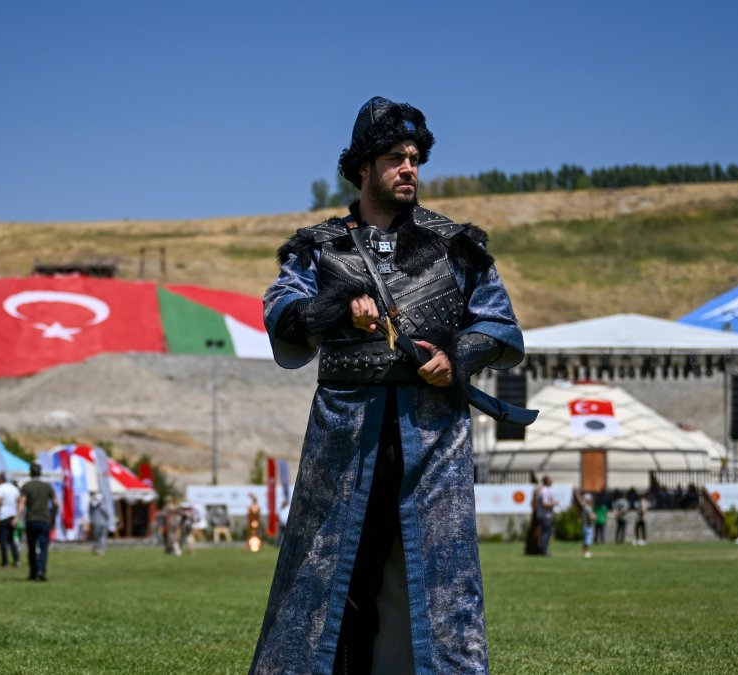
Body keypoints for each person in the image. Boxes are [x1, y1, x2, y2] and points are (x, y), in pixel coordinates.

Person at [251, 96, 524, 674]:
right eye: (396, 158)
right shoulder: (318, 248)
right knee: (332, 579)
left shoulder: (457, 245)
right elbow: (282, 312)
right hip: (345, 438)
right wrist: (336, 310)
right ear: (362, 168)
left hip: (431, 439)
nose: (410, 168)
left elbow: (499, 324)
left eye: (415, 158)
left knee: (441, 586)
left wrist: (457, 357)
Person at [17, 463, 59, 581]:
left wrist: (17, 517)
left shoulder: (26, 486)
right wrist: (53, 517)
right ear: (40, 473)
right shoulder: (47, 486)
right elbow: (56, 503)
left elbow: (22, 503)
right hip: (44, 520)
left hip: (31, 520)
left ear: (30, 473)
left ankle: (33, 572)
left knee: (31, 547)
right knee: (43, 547)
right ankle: (41, 570)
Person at [0, 473, 20, 567]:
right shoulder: (13, 488)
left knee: (3, 540)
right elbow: (18, 501)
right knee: (12, 539)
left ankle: (5, 561)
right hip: (12, 516)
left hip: (3, 516)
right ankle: (16, 560)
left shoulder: (0, 489)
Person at [536, 476, 558, 556]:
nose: (552, 481)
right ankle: (543, 550)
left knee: (548, 533)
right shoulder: (544, 491)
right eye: (550, 480)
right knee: (545, 533)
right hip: (545, 516)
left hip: (547, 515)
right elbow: (544, 504)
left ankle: (544, 549)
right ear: (547, 481)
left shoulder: (546, 490)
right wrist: (553, 504)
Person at [580, 493, 595, 558]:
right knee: (588, 540)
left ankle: (584, 552)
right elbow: (590, 516)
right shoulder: (588, 507)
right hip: (587, 525)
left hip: (585, 525)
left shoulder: (585, 507)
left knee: (586, 539)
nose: (592, 500)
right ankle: (585, 552)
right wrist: (594, 517)